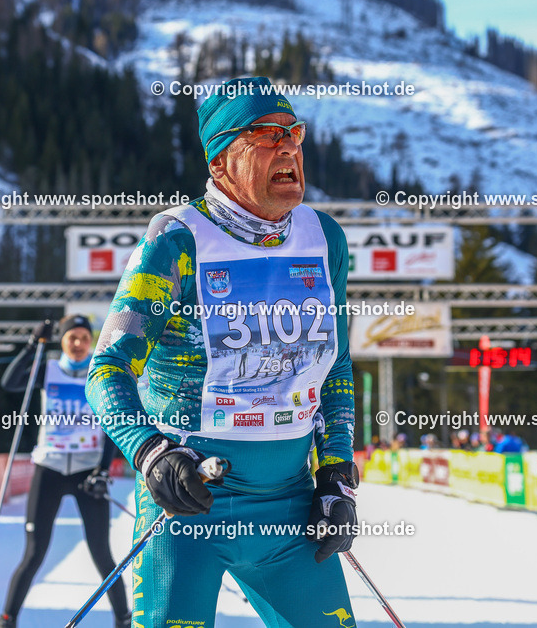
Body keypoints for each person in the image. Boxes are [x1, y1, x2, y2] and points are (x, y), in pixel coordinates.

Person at [87, 76, 358, 627]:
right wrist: (151, 453)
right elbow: (107, 366)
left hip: (289, 508)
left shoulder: (323, 238)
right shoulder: (176, 242)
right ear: (219, 165)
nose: (288, 146)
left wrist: (335, 473)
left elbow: (336, 368)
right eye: (265, 134)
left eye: (295, 133)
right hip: (190, 504)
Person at [0, 314, 131, 628]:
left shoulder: (100, 374)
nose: (79, 343)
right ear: (63, 341)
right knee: (34, 553)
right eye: (73, 337)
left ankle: (122, 619)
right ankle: (8, 617)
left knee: (101, 553)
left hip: (87, 472)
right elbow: (10, 382)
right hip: (50, 468)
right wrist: (33, 345)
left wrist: (102, 470)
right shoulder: (49, 370)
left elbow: (111, 423)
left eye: (85, 338)